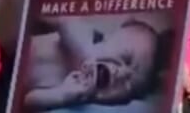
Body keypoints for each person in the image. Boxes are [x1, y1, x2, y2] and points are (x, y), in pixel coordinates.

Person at [24, 17, 171, 110]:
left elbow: (28, 101)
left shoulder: (76, 95)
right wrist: (84, 52)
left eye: (129, 85)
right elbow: (63, 21)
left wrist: (61, 95)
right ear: (106, 38)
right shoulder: (83, 36)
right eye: (126, 57)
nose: (121, 73)